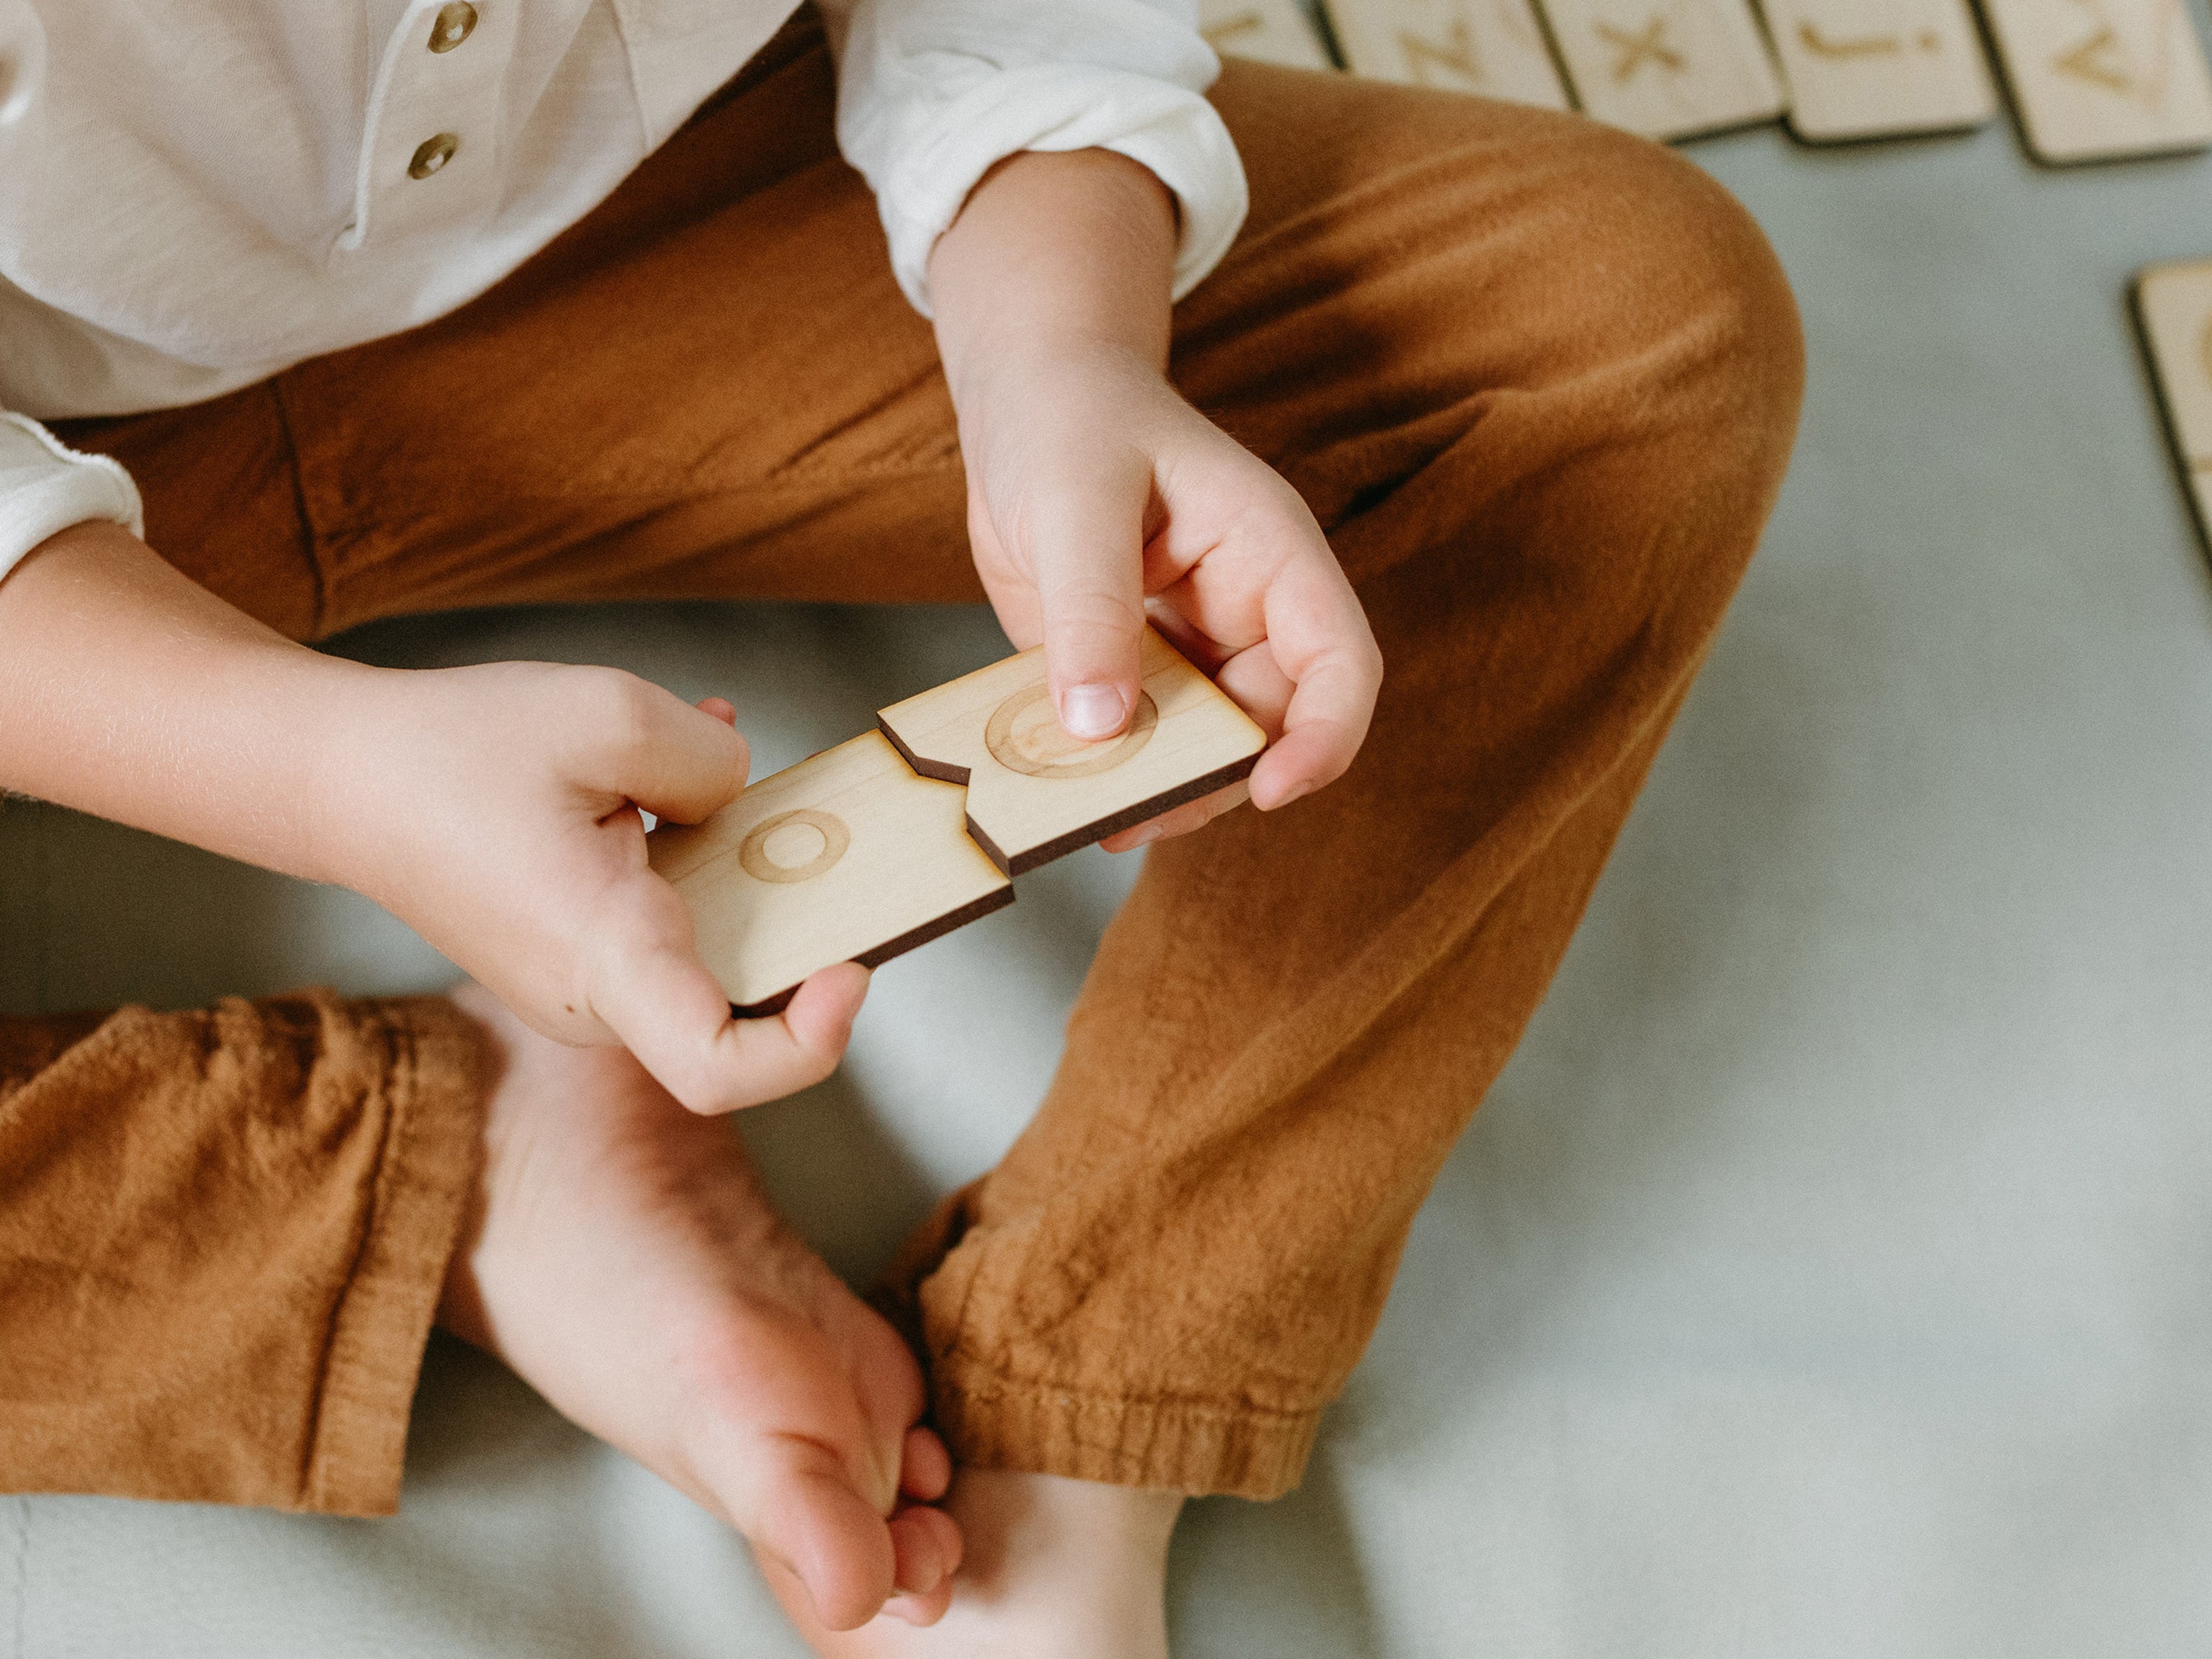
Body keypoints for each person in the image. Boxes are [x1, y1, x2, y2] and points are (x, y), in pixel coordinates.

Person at [0, 0, 1802, 1650]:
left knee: (1620, 325)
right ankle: (447, 1173)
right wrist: (320, 770)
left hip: (664, 220)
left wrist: (1064, 347)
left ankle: (1083, 1415)